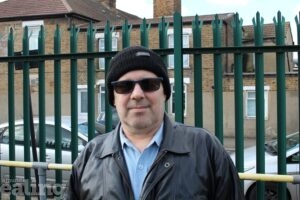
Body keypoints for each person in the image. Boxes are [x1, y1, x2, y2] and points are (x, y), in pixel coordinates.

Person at [64, 46, 245, 200]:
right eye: (124, 86)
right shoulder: (90, 156)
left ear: (165, 93)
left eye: (149, 84)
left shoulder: (206, 149)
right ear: (113, 97)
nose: (137, 94)